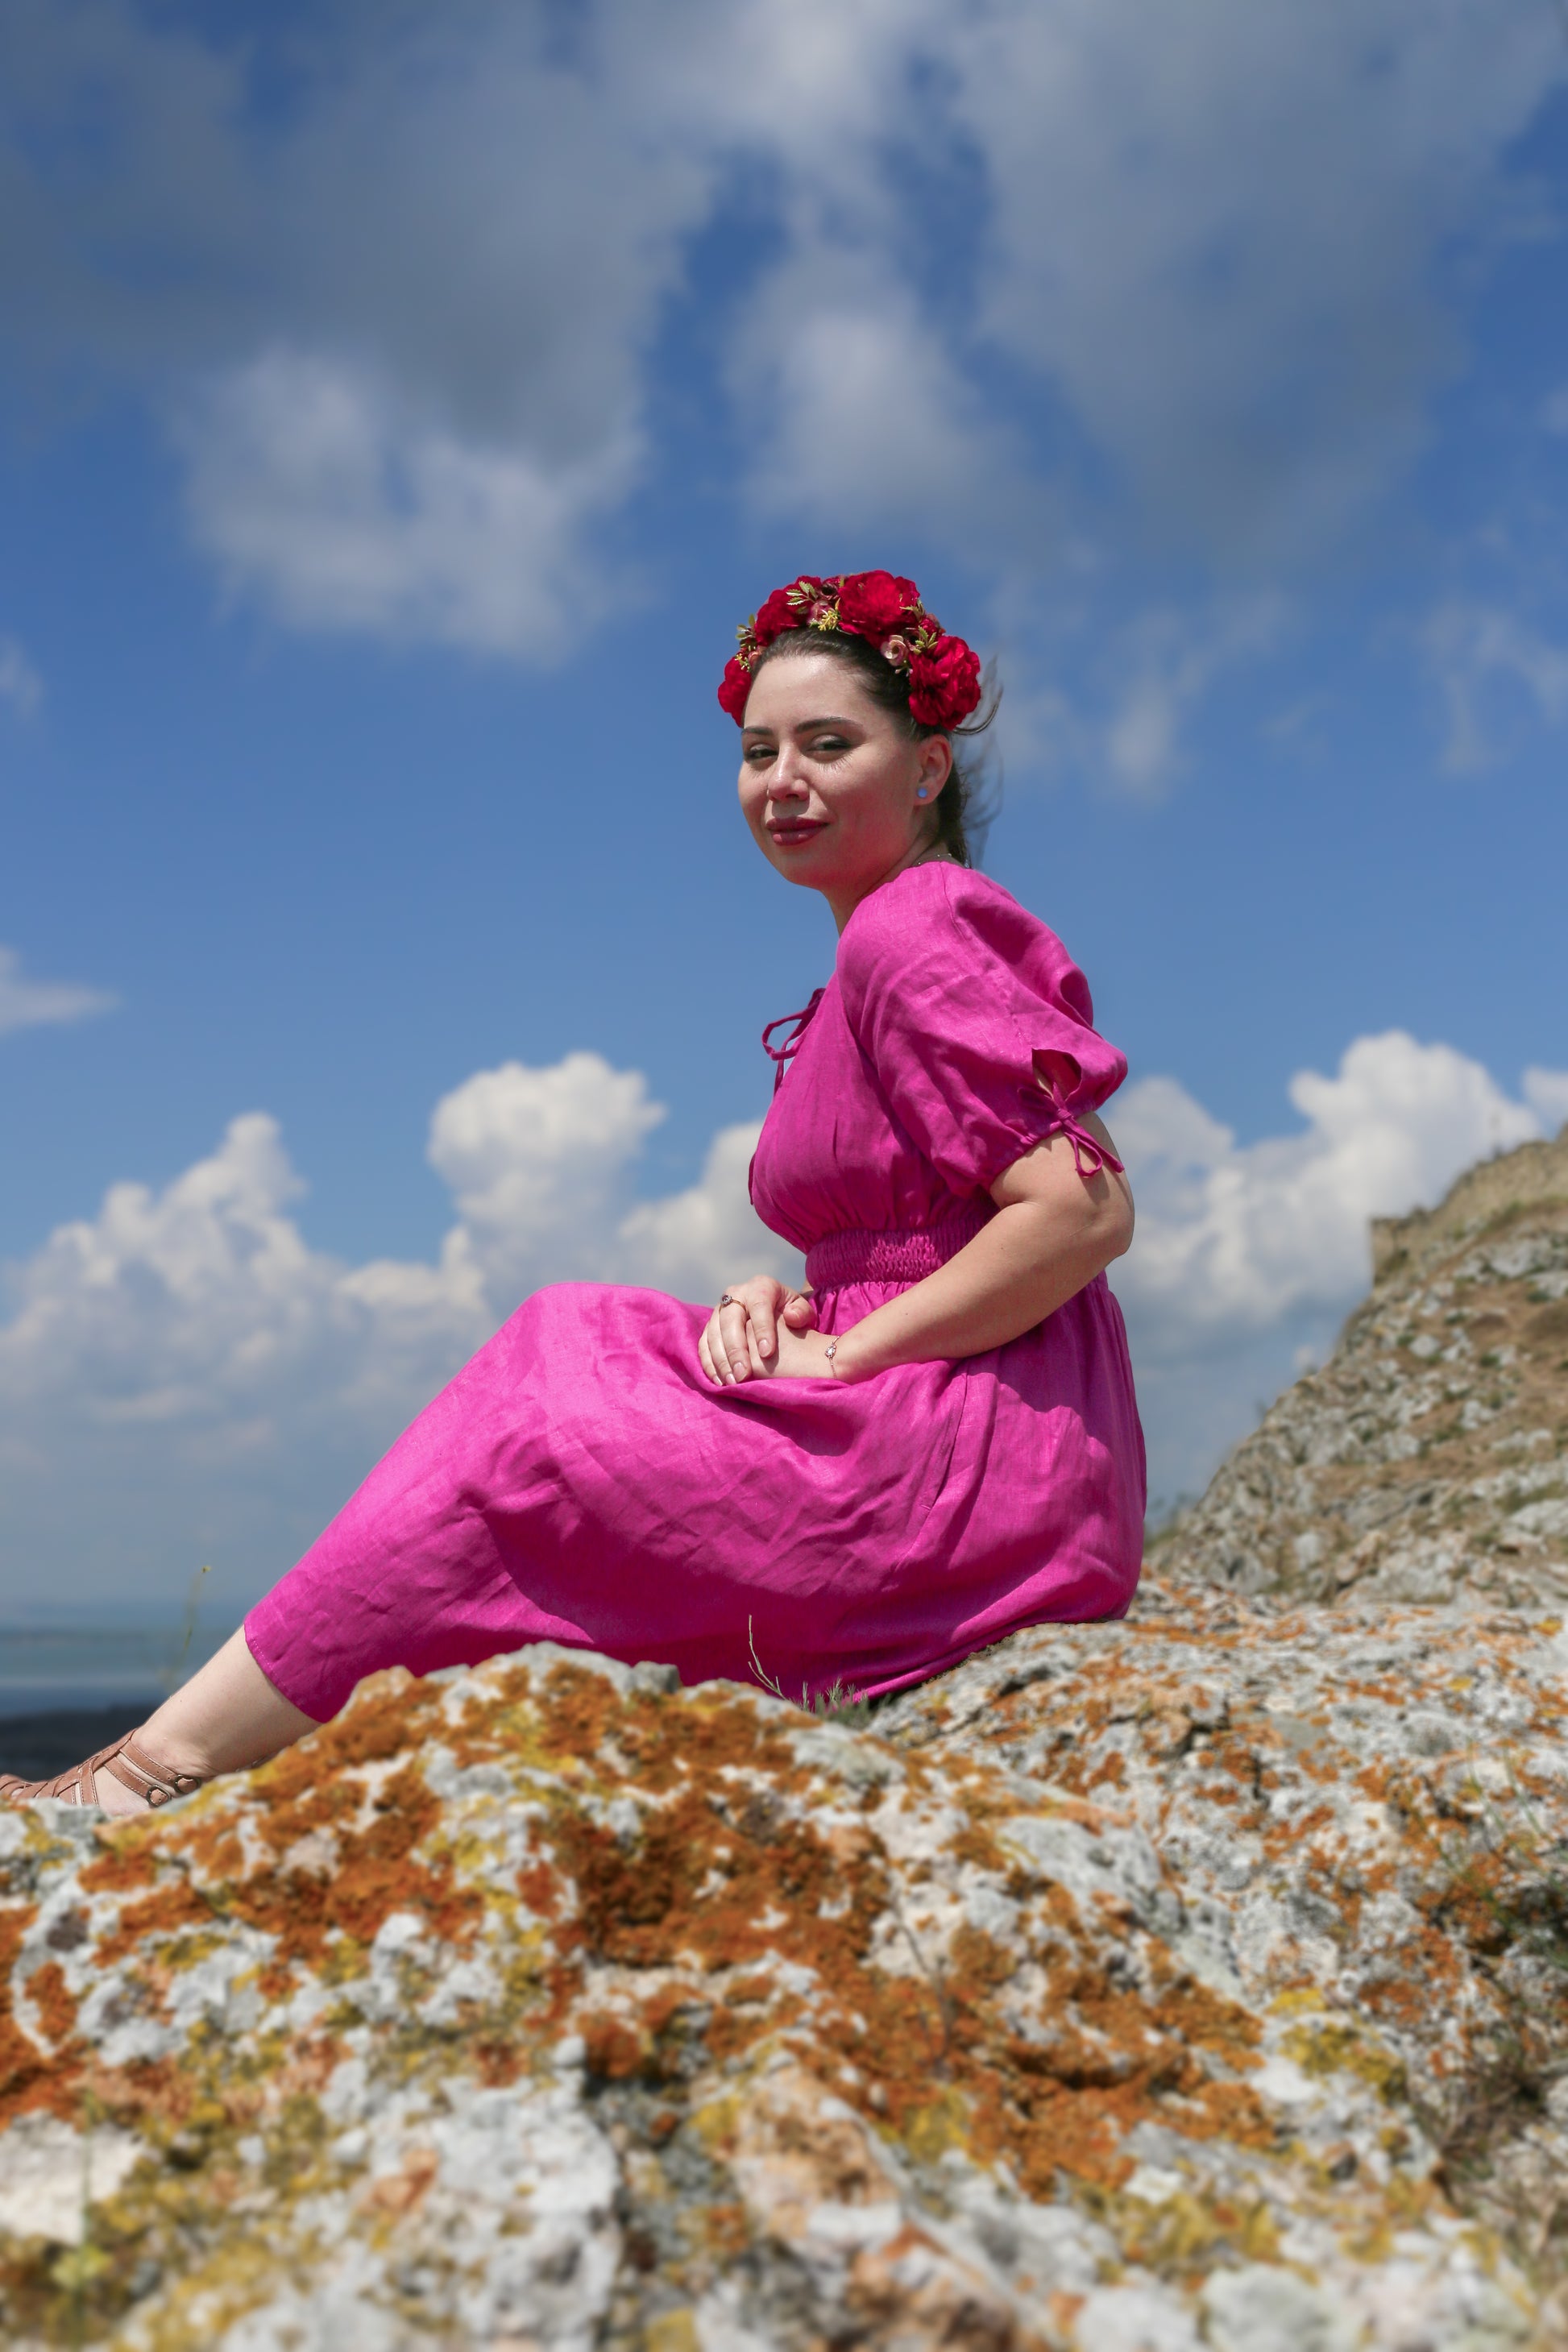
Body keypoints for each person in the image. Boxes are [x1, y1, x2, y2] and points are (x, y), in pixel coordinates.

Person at [2, 570, 1144, 1817]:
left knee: (541, 1415)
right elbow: (934, 1223)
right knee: (570, 1338)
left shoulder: (906, 931)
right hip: (967, 1426)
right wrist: (800, 1303)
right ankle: (153, 1767)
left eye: (829, 744)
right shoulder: (881, 940)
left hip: (980, 1471)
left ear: (925, 769)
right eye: (758, 752)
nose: (783, 781)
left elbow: (1077, 1214)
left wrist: (851, 1351)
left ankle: (149, 1777)